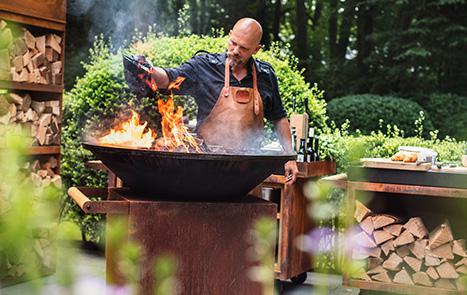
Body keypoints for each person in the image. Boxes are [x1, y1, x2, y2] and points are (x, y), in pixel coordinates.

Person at [136, 18, 298, 183]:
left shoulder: (266, 75)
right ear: (229, 35)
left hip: (247, 173)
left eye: (244, 48)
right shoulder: (204, 66)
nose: (235, 50)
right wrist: (150, 71)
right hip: (205, 168)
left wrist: (290, 156)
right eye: (233, 43)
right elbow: (169, 78)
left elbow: (279, 117)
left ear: (256, 49)